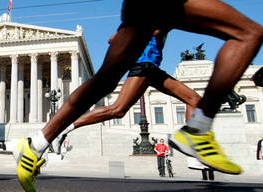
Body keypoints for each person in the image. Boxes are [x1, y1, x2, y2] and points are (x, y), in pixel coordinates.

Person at [13, 1, 263, 191]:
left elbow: (113, 38)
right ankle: (197, 131)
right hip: (147, 58)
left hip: (139, 19)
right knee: (248, 34)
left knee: (105, 87)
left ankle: (36, 144)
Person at [51, 29, 201, 155]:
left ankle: (193, 144)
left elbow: (112, 39)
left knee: (194, 99)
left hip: (153, 68)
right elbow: (113, 40)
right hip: (143, 66)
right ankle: (66, 128)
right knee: (117, 110)